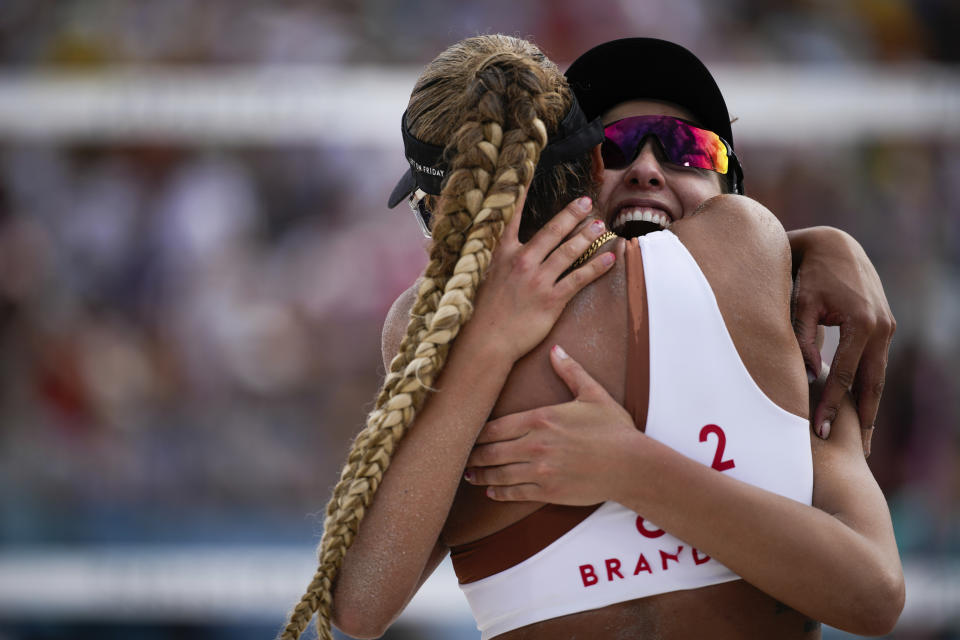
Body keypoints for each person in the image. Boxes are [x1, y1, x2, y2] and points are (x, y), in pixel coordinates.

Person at [281, 35, 902, 640]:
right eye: (620, 142)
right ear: (585, 169)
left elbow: (873, 597)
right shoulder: (765, 268)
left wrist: (628, 467)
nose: (648, 170)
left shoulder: (787, 305)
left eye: (688, 148)